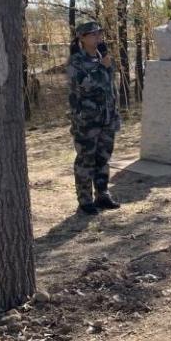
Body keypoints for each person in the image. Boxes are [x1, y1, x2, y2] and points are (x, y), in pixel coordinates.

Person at [67, 20, 121, 215]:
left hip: (107, 117)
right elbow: (86, 84)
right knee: (86, 160)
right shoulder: (76, 61)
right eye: (93, 34)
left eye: (99, 34)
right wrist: (103, 67)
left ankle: (102, 195)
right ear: (82, 38)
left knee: (103, 158)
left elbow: (110, 88)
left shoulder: (102, 57)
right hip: (87, 121)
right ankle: (85, 200)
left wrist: (115, 114)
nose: (98, 37)